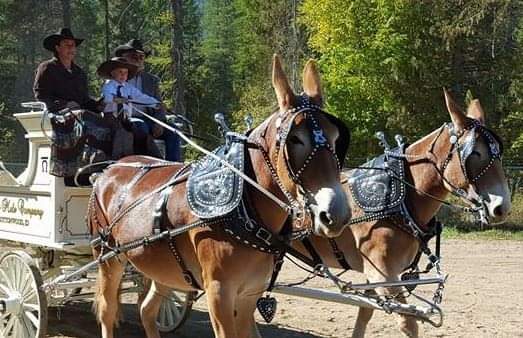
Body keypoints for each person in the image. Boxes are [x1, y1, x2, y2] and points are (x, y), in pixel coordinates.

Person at [113, 39, 181, 161]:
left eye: (141, 57)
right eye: (134, 56)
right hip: (126, 120)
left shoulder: (151, 80)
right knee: (141, 127)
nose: (138, 60)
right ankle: (146, 165)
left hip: (149, 119)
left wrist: (159, 123)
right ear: (124, 58)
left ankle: (173, 167)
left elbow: (159, 105)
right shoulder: (116, 77)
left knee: (174, 131)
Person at [97, 57, 163, 159]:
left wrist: (156, 103)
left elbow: (140, 97)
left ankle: (152, 157)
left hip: (126, 118)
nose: (123, 75)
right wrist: (120, 100)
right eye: (120, 72)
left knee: (141, 131)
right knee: (121, 131)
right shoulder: (109, 86)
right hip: (111, 118)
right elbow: (108, 98)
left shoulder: (129, 88)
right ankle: (118, 158)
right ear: (112, 73)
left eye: (125, 72)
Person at [33, 28, 98, 112]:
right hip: (56, 118)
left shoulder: (80, 73)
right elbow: (42, 96)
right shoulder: (47, 68)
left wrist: (99, 105)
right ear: (57, 48)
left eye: (73, 45)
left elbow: (85, 100)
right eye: (67, 45)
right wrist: (64, 104)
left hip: (81, 119)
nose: (71, 48)